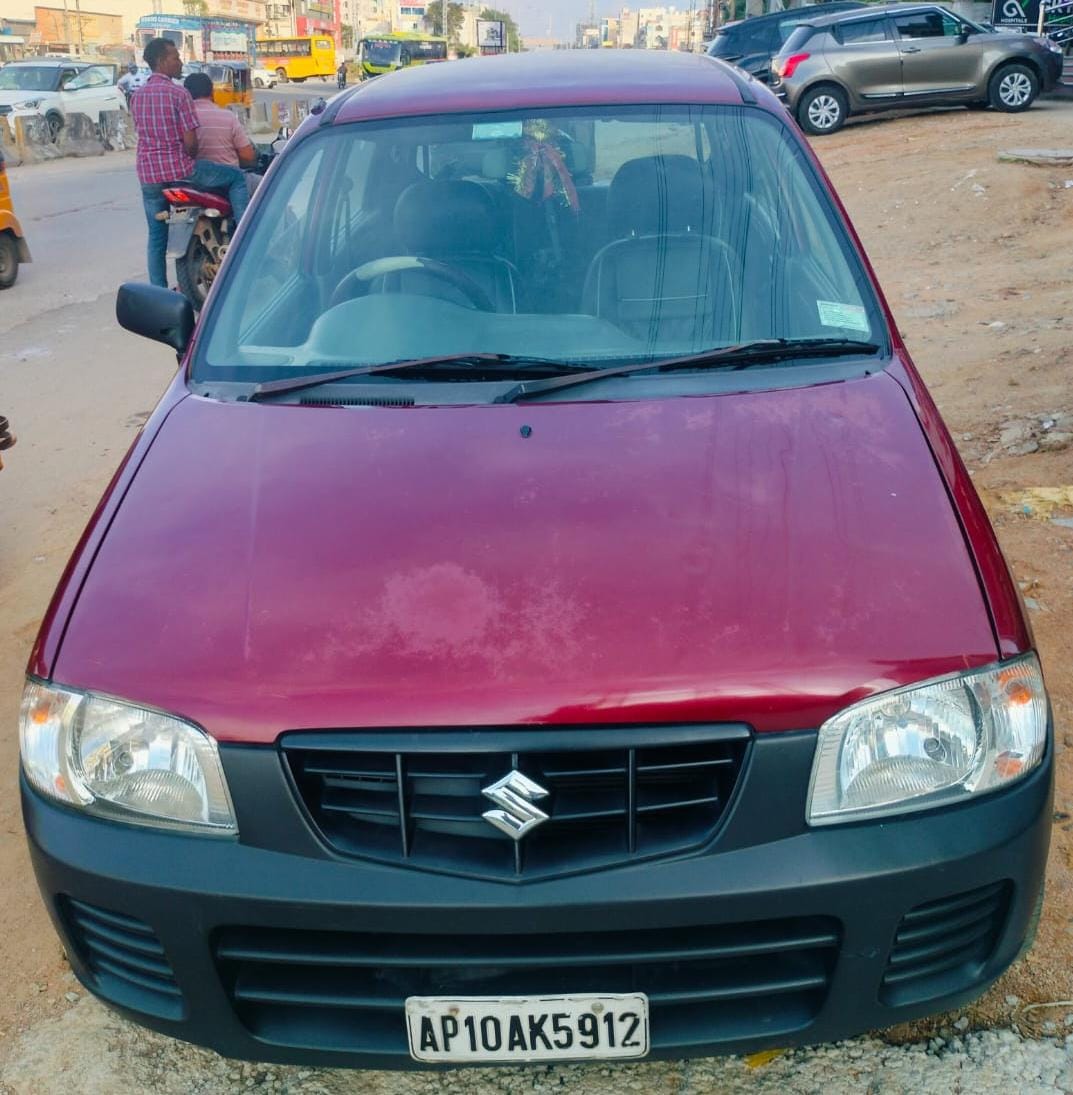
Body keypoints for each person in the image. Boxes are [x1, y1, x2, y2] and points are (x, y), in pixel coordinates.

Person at [131, 38, 249, 288]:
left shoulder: (137, 96)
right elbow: (191, 142)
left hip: (149, 176)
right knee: (236, 177)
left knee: (156, 238)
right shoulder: (179, 94)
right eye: (175, 57)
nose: (180, 62)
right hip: (180, 170)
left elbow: (141, 133)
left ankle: (158, 293)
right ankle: (244, 238)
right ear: (162, 61)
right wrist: (190, 154)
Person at [183, 72, 256, 170]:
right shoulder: (228, 117)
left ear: (186, 94)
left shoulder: (182, 118)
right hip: (229, 177)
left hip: (193, 176)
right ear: (212, 92)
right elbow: (247, 155)